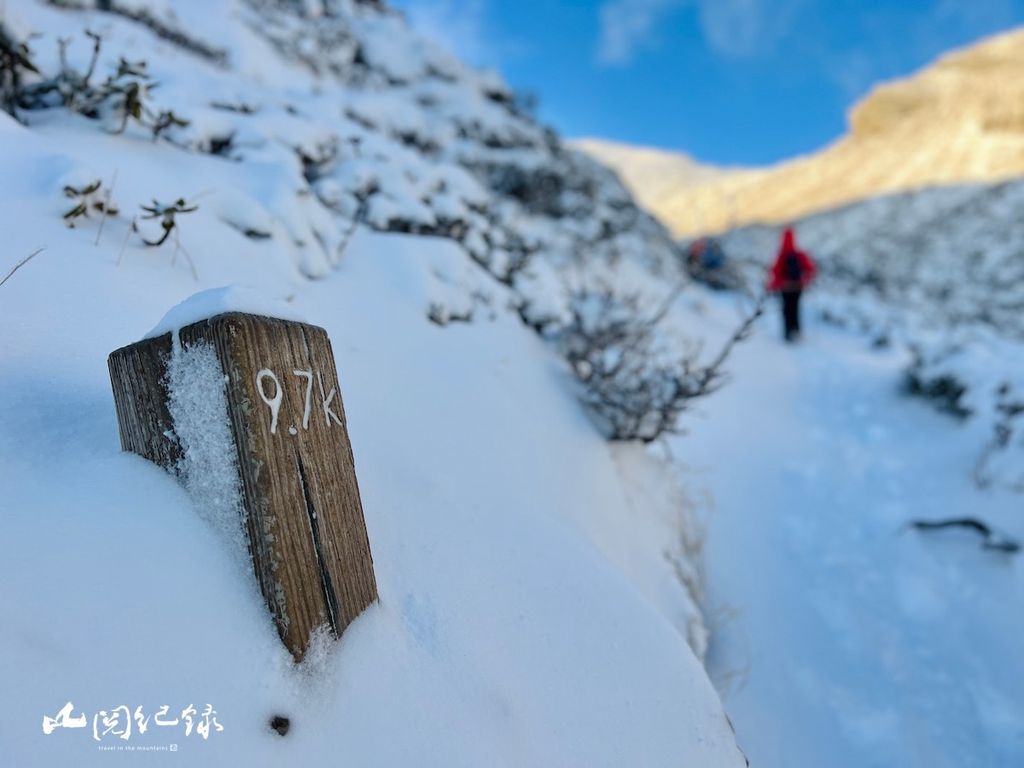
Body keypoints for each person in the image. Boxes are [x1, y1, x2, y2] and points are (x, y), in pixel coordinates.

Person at [767, 227, 817, 342]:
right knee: (795, 309)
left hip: (785, 288)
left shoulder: (781, 255)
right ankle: (796, 332)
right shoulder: (800, 254)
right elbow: (811, 269)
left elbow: (774, 272)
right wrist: (804, 281)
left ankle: (787, 334)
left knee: (786, 310)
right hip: (798, 287)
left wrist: (773, 286)